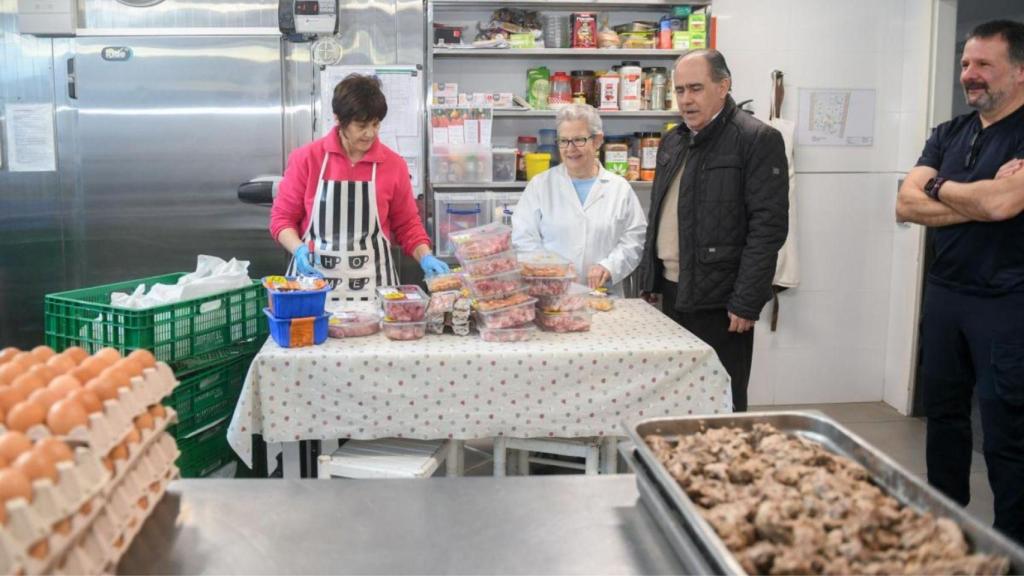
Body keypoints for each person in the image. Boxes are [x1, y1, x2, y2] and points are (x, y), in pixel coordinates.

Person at [895, 20, 1024, 544]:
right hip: (946, 295)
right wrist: (979, 198)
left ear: (1019, 71)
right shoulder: (949, 132)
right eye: (966, 64)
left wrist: (942, 186)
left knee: (1006, 434)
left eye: (983, 65)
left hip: (1007, 302)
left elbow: (1005, 203)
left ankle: (1011, 545)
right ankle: (946, 527)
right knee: (943, 421)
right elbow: (905, 203)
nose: (969, 75)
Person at [636, 50, 789, 412]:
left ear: (724, 86)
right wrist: (649, 281)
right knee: (674, 398)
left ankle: (723, 466)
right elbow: (659, 213)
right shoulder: (674, 141)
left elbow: (768, 227)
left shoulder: (756, 139)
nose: (686, 100)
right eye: (679, 90)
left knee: (720, 398)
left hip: (722, 300)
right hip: (673, 290)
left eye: (696, 88)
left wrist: (748, 300)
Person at [270, 74, 448, 300]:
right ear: (339, 119)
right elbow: (282, 219)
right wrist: (299, 249)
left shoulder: (393, 164)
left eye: (375, 124)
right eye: (361, 125)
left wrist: (425, 256)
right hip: (312, 287)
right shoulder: (307, 159)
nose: (370, 133)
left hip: (375, 288)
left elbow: (407, 224)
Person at [511, 104, 647, 295]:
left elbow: (635, 239)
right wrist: (553, 269)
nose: (570, 149)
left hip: (604, 297)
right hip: (552, 296)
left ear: (597, 140)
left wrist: (609, 266)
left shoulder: (619, 189)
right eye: (563, 141)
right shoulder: (540, 186)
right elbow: (523, 239)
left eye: (578, 140)